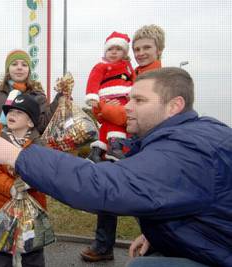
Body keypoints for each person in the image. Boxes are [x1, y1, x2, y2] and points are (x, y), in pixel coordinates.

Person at [0, 67, 232, 267]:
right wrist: (157, 235)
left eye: (139, 100)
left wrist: (19, 158)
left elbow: (104, 186)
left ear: (174, 106)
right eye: (129, 99)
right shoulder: (188, 137)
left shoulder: (187, 150)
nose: (127, 108)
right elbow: (171, 198)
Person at [81, 25, 166, 263]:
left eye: (146, 48)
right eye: (137, 48)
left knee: (143, 197)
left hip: (143, 144)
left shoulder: (158, 78)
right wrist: (103, 111)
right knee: (109, 189)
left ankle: (160, 245)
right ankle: (103, 244)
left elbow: (131, 116)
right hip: (124, 140)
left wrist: (103, 109)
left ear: (159, 50)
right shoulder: (132, 73)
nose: (141, 53)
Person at [0, 94, 47, 267]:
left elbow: (46, 172)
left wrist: (30, 182)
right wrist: (10, 186)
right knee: (1, 252)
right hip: (2, 208)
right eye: (10, 111)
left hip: (31, 211)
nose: (12, 115)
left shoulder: (39, 146)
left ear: (31, 122)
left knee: (32, 251)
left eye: (19, 112)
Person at [0, 49, 61, 178]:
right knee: (2, 191)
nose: (19, 68)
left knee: (30, 193)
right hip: (1, 154)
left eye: (24, 64)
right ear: (7, 69)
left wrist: (57, 101)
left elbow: (42, 125)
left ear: (29, 70)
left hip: (29, 152)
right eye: (15, 64)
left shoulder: (37, 96)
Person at [85, 31, 135, 162]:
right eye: (110, 49)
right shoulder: (101, 66)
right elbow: (93, 80)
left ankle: (98, 150)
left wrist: (135, 94)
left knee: (110, 121)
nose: (113, 52)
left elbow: (135, 80)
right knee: (115, 119)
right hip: (106, 97)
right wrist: (92, 97)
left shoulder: (128, 67)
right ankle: (114, 146)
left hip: (124, 97)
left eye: (118, 49)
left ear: (124, 53)